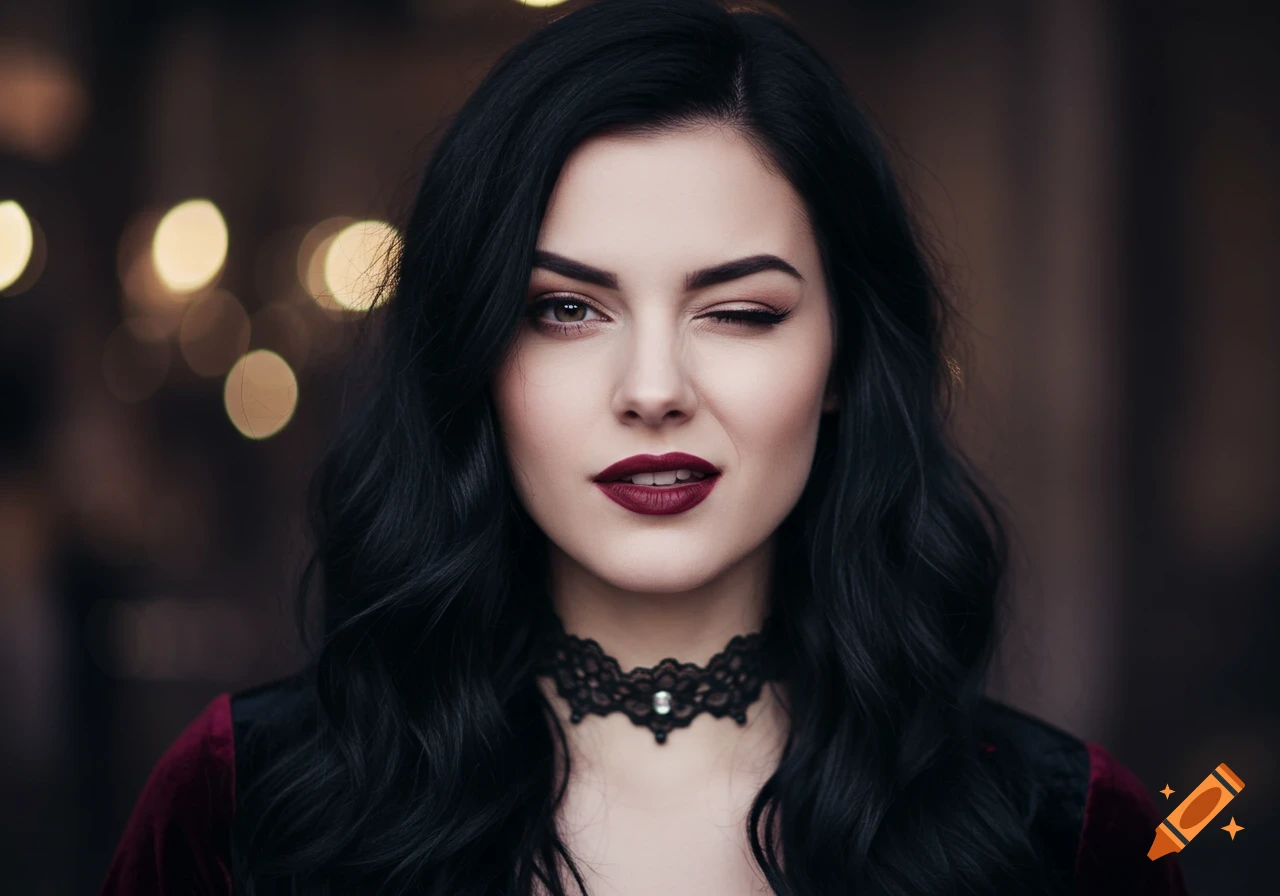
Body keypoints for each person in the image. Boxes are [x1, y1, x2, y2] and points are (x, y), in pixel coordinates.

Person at [99, 1, 1191, 894]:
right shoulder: (241, 801)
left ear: (848, 358)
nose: (654, 389)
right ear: (473, 354)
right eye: (566, 310)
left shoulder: (1070, 832)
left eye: (741, 311)